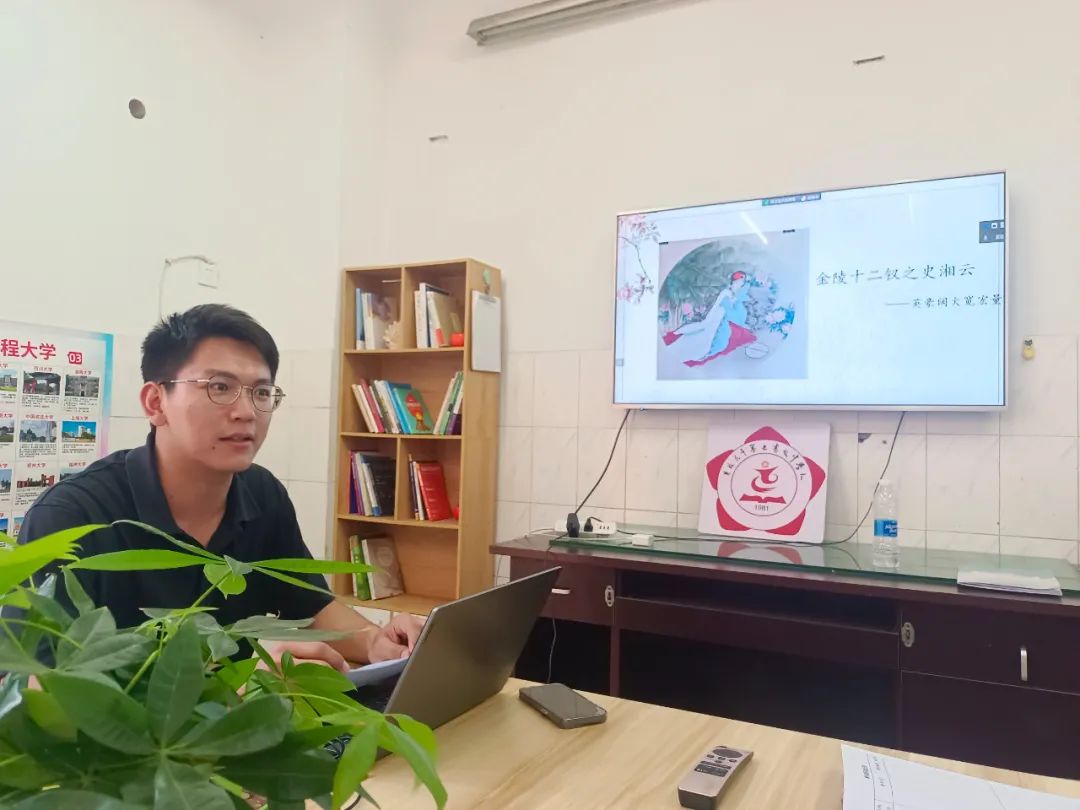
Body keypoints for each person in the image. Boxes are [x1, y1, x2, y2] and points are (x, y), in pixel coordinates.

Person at [14, 304, 421, 671]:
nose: (246, 412)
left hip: (248, 725)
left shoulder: (262, 493)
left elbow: (309, 604)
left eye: (261, 392)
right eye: (219, 387)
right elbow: (30, 689)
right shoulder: (70, 518)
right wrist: (231, 694)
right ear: (156, 402)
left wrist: (375, 642)